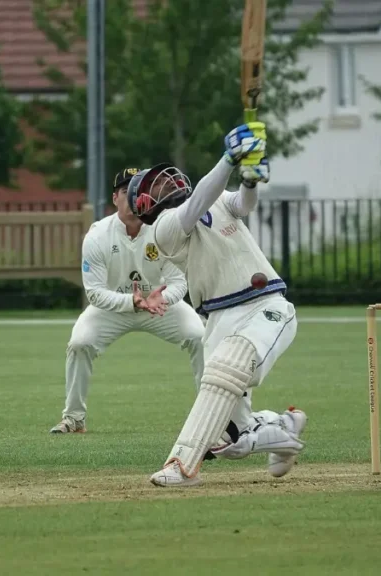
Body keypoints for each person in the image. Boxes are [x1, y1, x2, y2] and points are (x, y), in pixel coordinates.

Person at [124, 121, 307, 486]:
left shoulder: (218, 200)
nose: (165, 183)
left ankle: (183, 466)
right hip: (218, 319)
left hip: (265, 305)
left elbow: (243, 203)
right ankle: (284, 428)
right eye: (154, 185)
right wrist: (229, 158)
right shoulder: (163, 230)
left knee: (228, 368)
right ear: (144, 205)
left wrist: (251, 179)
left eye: (164, 179)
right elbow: (197, 205)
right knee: (231, 439)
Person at [50, 169, 206, 434]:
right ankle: (74, 418)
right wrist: (131, 302)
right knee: (80, 343)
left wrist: (160, 298)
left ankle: (211, 418)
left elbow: (179, 283)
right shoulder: (98, 235)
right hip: (114, 307)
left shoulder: (163, 229)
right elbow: (95, 293)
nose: (133, 197)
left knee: (200, 337)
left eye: (140, 190)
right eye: (126, 191)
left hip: (160, 306)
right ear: (115, 198)